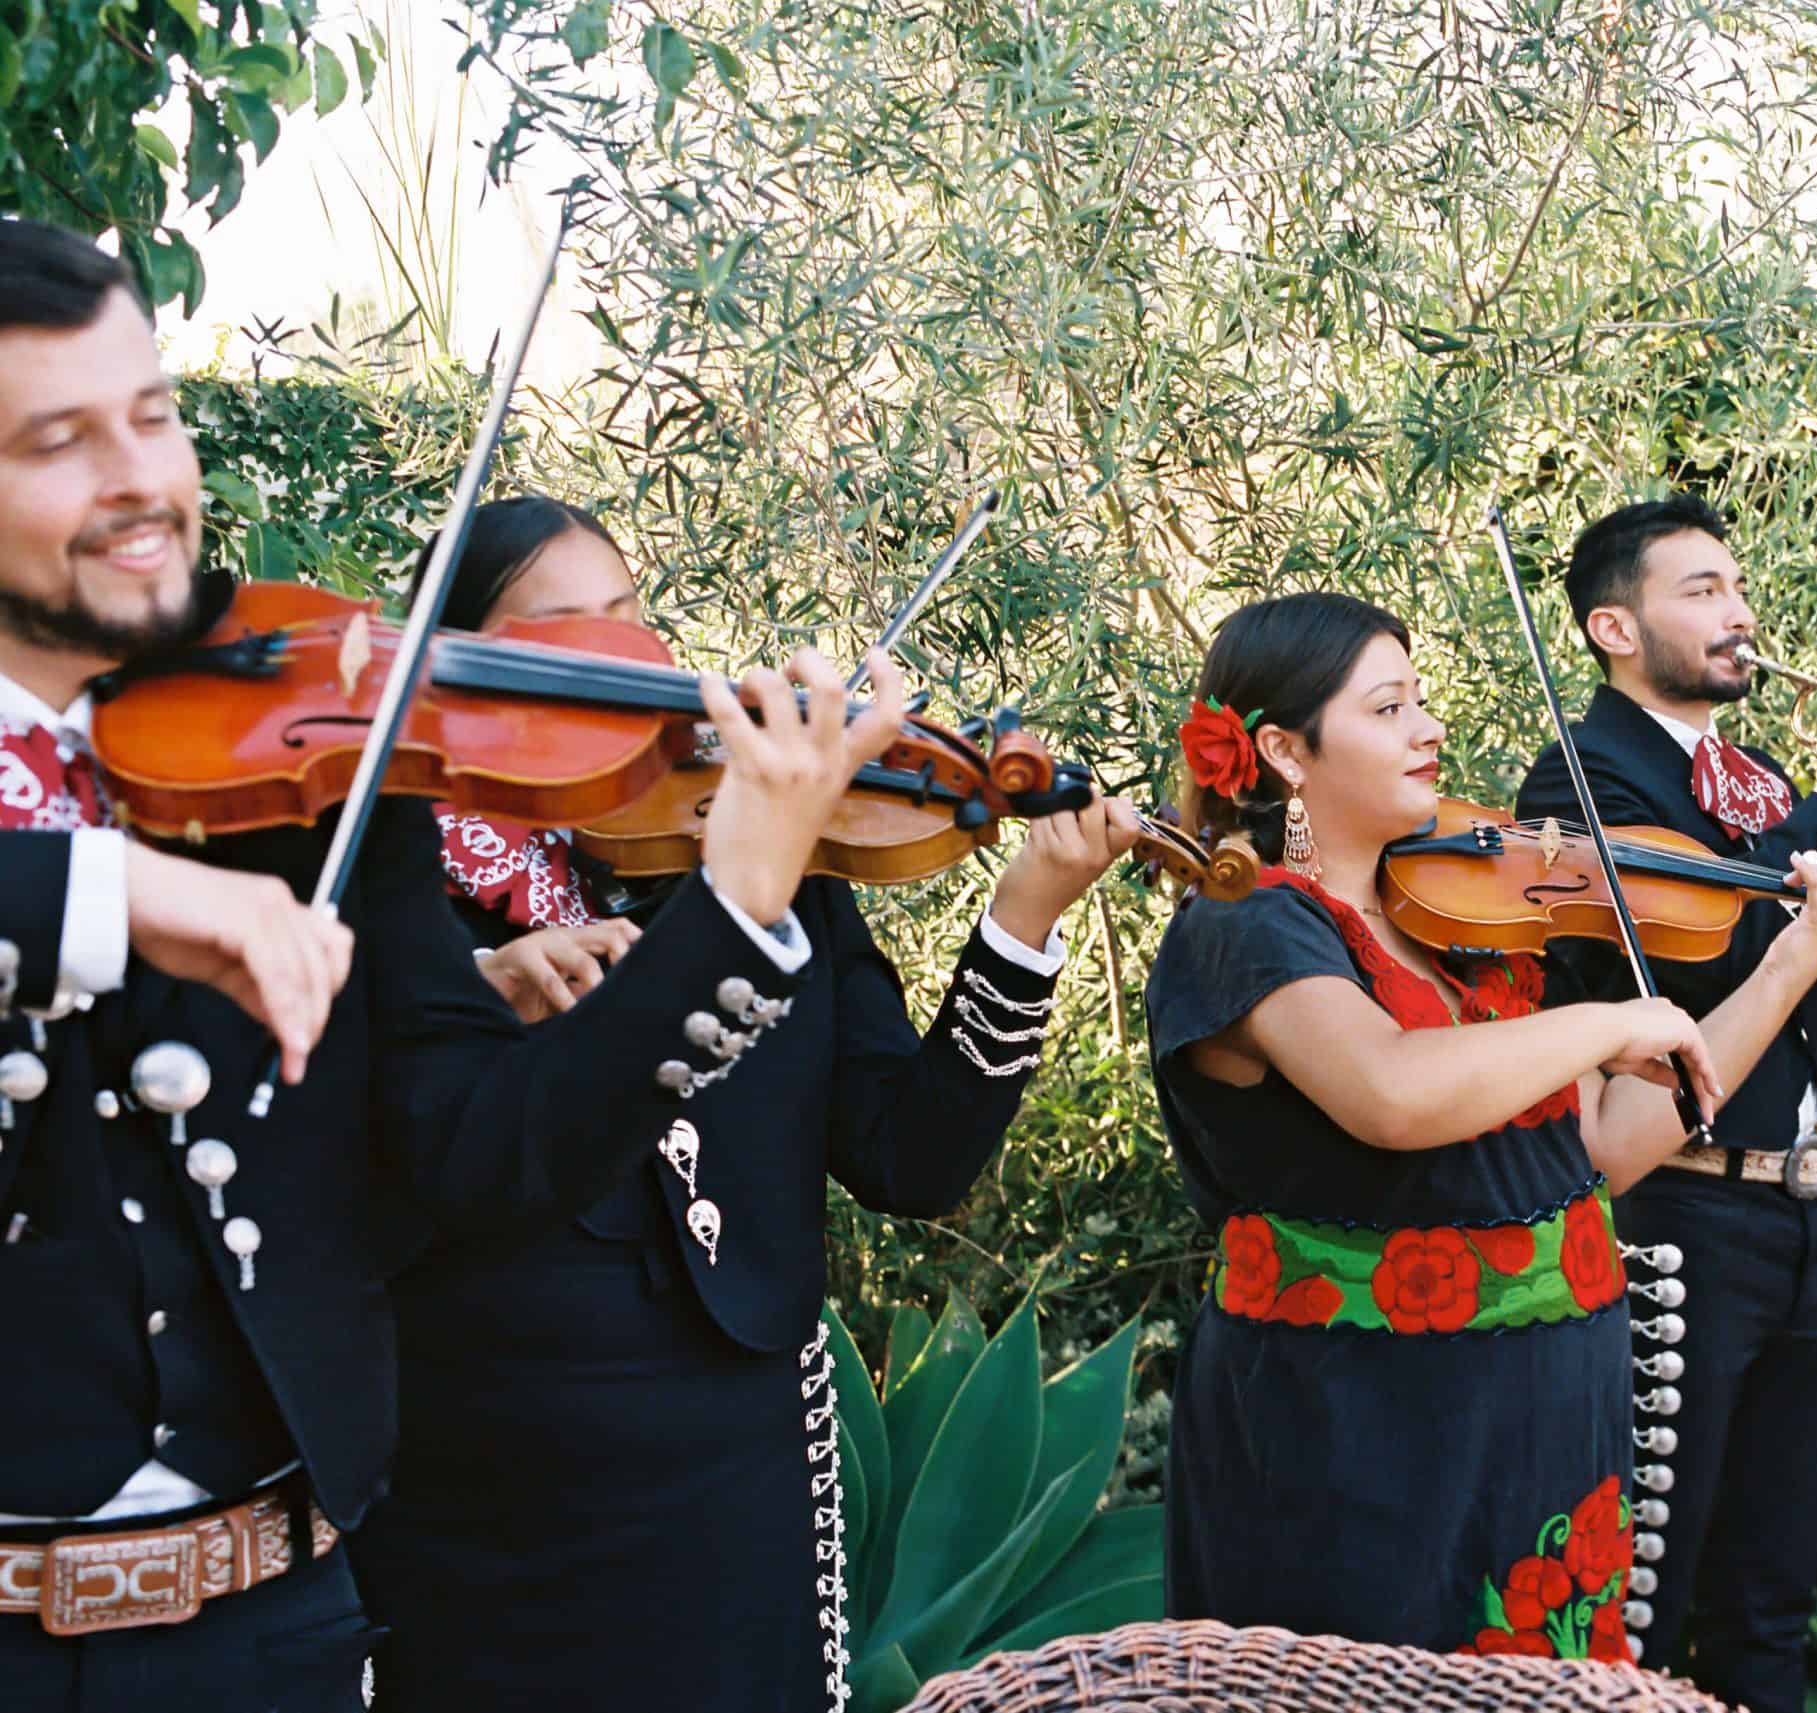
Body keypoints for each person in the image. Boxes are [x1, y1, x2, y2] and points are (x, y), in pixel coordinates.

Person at [0, 219, 884, 1708]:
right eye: (58, 438)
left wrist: (736, 895)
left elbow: (475, 1157)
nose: (142, 480)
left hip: (270, 1626)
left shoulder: (314, 769)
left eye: (153, 414)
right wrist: (112, 895)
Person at [350, 493, 1143, 1711]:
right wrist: (478, 983)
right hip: (491, 1483)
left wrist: (1024, 917)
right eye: (562, 627)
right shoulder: (393, 883)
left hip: (739, 1464)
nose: (622, 659)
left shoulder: (763, 854)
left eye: (631, 617)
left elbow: (909, 1160)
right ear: (452, 661)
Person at [1142, 590, 1817, 1662]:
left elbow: (1606, 1145)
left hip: (1545, 1407)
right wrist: (1603, 1020)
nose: (1428, 729)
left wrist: (1796, 958)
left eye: (1422, 700)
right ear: (1282, 751)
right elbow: (1392, 1091)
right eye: (1389, 708)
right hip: (1359, 1420)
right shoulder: (1247, 924)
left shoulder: (1468, 934)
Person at [1512, 496, 1817, 1709]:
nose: (1738, 614)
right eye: (1701, 590)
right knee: (1651, 1601)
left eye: (1736, 586)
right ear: (1614, 627)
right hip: (1681, 1220)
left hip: (1806, 1224)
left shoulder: (1756, 780)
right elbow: (1713, 954)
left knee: (1772, 1601)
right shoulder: (1581, 775)